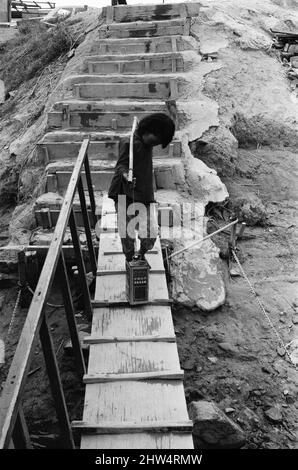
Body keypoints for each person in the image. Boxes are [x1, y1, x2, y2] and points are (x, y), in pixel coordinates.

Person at [108, 113, 175, 262]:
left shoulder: (146, 143)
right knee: (127, 233)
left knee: (150, 233)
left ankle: (142, 254)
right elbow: (120, 166)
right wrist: (126, 175)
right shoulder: (128, 142)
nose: (155, 144)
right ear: (148, 131)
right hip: (124, 193)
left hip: (143, 193)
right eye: (155, 140)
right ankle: (130, 259)